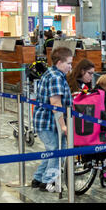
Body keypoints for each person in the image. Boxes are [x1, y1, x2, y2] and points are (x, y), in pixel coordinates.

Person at [32, 47, 73, 192]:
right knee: (56, 151)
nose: (70, 66)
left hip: (46, 121)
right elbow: (56, 104)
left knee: (51, 151)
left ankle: (37, 179)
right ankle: (47, 183)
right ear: (60, 62)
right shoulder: (56, 77)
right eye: (68, 63)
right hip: (48, 122)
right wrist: (64, 126)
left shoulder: (52, 73)